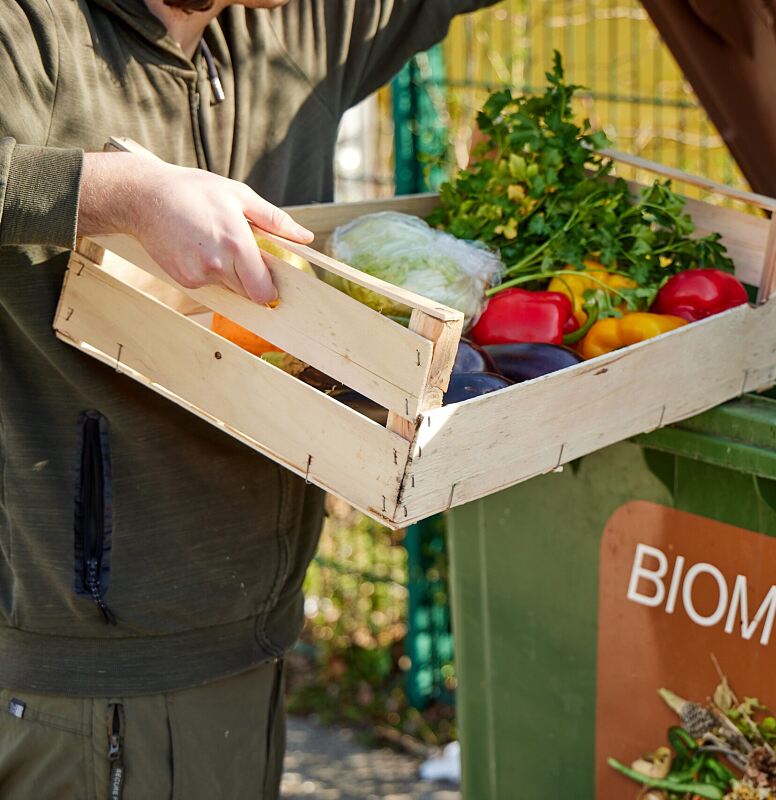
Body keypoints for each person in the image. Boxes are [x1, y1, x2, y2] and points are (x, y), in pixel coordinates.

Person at [0, 0, 495, 796]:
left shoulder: (291, 24)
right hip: (94, 673)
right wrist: (120, 193)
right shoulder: (30, 28)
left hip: (251, 637)